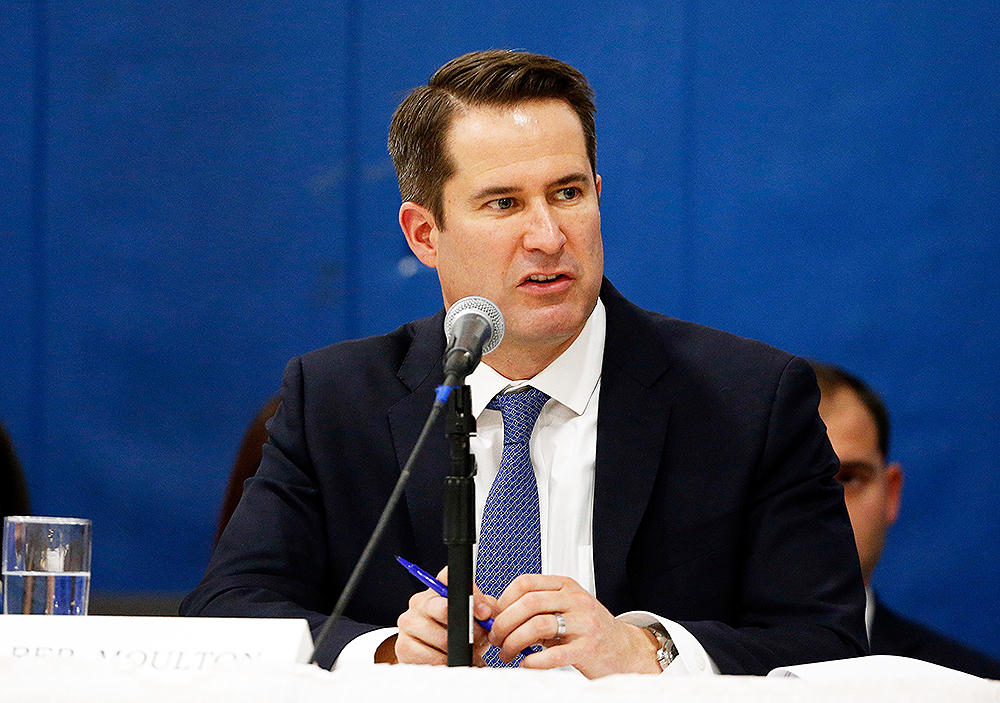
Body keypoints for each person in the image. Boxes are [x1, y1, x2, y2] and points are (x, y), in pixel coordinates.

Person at [182, 50, 866, 677]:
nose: (548, 235)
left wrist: (649, 651)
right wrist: (387, 653)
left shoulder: (748, 400)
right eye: (504, 203)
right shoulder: (334, 400)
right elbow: (225, 612)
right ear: (425, 233)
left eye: (568, 193)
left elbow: (829, 644)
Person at [811, 361, 1000, 679]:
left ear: (891, 492)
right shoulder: (710, 674)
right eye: (787, 482)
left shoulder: (977, 689)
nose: (825, 508)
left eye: (849, 478)